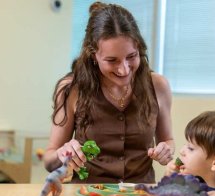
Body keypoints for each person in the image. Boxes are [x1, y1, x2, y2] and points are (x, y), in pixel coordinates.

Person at [43, 2, 174, 183]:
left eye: (131, 56)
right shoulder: (71, 88)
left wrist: (166, 150)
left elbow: (168, 140)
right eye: (112, 60)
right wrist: (62, 154)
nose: (124, 69)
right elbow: (49, 160)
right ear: (93, 54)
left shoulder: (158, 85)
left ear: (140, 48)